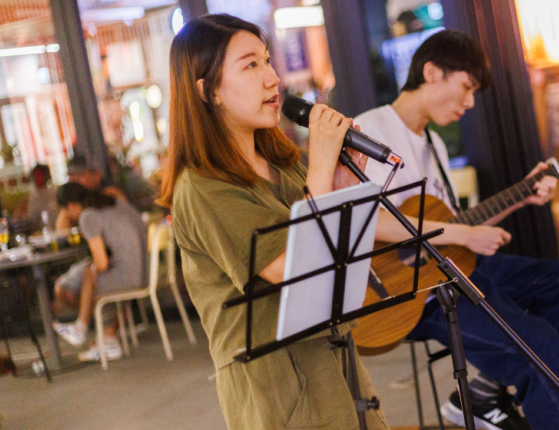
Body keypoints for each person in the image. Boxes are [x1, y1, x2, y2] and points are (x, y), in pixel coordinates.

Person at [357, 30, 559, 430]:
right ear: (432, 72)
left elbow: (454, 227)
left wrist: (522, 196)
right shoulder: (370, 131)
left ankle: (484, 393)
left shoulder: (432, 143)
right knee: (535, 345)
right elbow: (361, 220)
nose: (469, 103)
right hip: (414, 293)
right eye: (466, 87)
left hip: (455, 270)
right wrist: (458, 236)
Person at [157, 15, 387, 429]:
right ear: (209, 91)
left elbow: (336, 252)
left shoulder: (282, 164)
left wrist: (341, 183)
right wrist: (319, 168)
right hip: (278, 382)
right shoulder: (201, 187)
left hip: (335, 358)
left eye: (267, 61)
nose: (273, 78)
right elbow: (294, 267)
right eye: (251, 65)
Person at [51, 182, 148, 362]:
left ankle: (84, 330)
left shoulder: (88, 217)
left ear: (71, 205)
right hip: (146, 271)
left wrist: (96, 267)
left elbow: (102, 263)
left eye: (65, 211)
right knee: (92, 272)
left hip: (130, 277)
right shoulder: (111, 202)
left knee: (92, 271)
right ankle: (105, 338)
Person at [57, 156, 128, 229]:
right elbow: (62, 232)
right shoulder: (73, 203)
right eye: (71, 176)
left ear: (96, 175)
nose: (75, 180)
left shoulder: (109, 195)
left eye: (80, 174)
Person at [24, 164, 59, 230]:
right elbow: (32, 221)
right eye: (36, 176)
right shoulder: (33, 198)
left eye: (39, 175)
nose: (38, 178)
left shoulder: (55, 193)